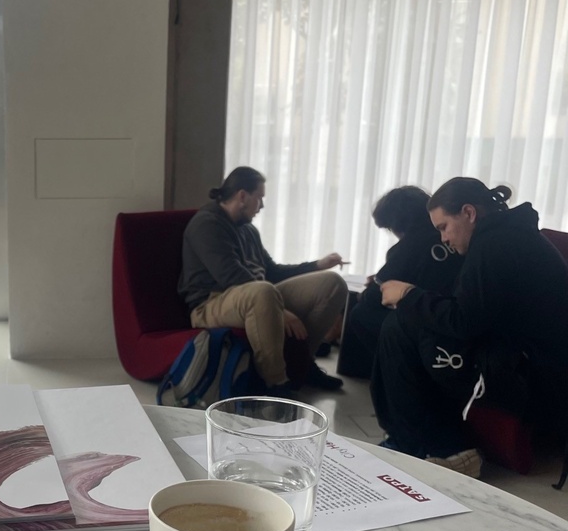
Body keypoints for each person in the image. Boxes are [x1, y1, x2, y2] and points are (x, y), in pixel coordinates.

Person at [371, 177, 568, 476]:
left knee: (406, 327)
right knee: (408, 325)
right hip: (529, 360)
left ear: (469, 213)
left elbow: (464, 321)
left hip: (535, 377)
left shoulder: (495, 244)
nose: (443, 239)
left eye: (444, 227)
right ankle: (414, 439)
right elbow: (472, 308)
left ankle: (444, 448)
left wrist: (408, 294)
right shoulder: (506, 234)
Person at [178, 166, 349, 394]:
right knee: (263, 292)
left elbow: (273, 272)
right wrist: (282, 311)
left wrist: (317, 265)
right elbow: (232, 277)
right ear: (242, 196)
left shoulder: (248, 230)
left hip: (260, 295)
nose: (262, 206)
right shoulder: (207, 224)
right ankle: (276, 383)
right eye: (259, 198)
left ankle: (302, 363)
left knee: (333, 284)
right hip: (211, 303)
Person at [341, 185, 462, 377]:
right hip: (452, 314)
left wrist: (372, 289)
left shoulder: (408, 247)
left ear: (396, 224)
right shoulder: (451, 235)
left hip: (431, 323)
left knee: (361, 313)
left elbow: (374, 296)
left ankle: (394, 370)